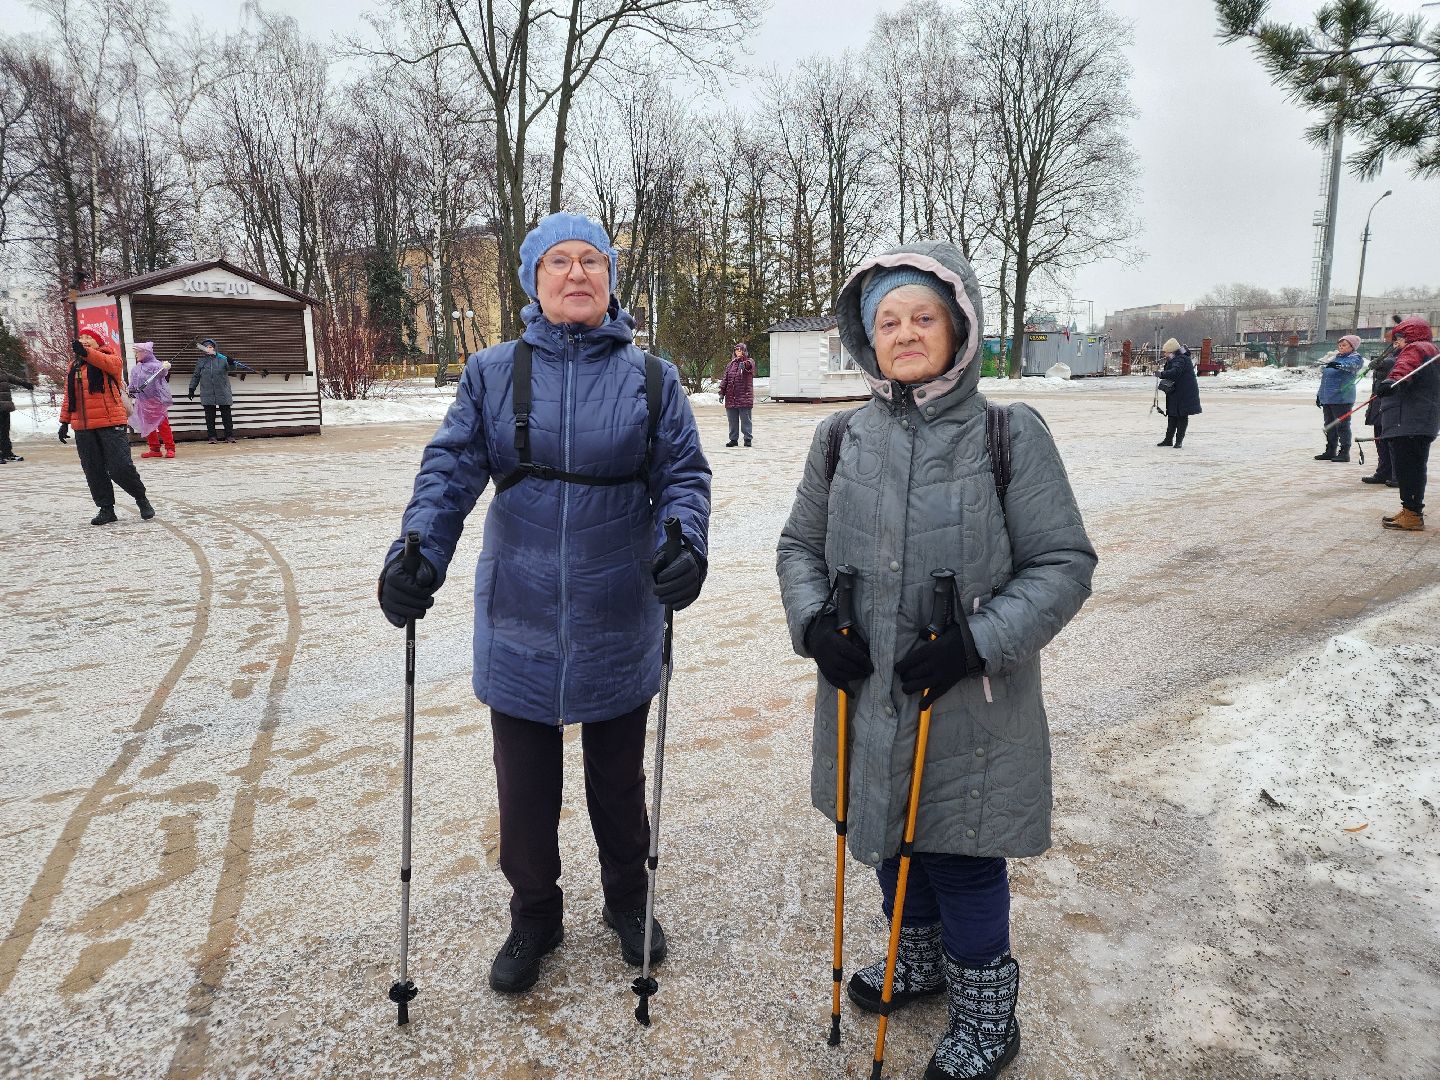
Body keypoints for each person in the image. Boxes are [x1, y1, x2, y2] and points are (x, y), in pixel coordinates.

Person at [777, 243, 1096, 1080]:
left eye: (924, 317)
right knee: (888, 834)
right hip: (870, 690)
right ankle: (914, 961)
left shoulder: (1008, 433)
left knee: (959, 847)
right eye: (889, 320)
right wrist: (813, 623)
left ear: (960, 329)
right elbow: (798, 547)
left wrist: (976, 642)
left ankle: (990, 1013)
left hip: (969, 695)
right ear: (866, 337)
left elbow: (1064, 563)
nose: (906, 332)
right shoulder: (840, 435)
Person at [377, 212, 712, 995]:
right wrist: (416, 551)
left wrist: (685, 541)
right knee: (523, 789)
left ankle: (629, 899)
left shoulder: (653, 378)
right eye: (558, 261)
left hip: (616, 607)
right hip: (519, 612)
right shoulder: (493, 371)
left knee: (617, 781)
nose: (576, 274)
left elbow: (684, 477)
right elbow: (450, 469)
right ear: (533, 280)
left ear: (610, 279)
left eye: (591, 261)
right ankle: (535, 913)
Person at [60, 329, 154, 525]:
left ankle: (141, 499)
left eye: (89, 338)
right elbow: (69, 396)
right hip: (84, 427)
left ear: (98, 343)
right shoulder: (74, 366)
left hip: (111, 423)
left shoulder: (110, 358)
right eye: (82, 338)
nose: (84, 340)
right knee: (93, 469)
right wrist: (64, 421)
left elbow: (108, 365)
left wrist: (86, 353)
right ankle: (106, 509)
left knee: (120, 467)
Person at [1374, 317, 1439, 531]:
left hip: (1409, 420)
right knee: (1413, 466)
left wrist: (1391, 382)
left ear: (1409, 336)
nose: (1397, 343)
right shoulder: (1431, 350)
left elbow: (1404, 367)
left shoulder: (1416, 348)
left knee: (1408, 467)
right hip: (1419, 419)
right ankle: (1411, 510)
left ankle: (1412, 514)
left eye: (1399, 338)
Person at [1361, 327, 1401, 487]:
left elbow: (1397, 368)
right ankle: (1383, 471)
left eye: (1397, 339)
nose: (1391, 342)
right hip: (1379, 402)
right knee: (1380, 439)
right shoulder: (1390, 354)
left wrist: (1383, 363)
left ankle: (1397, 474)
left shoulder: (1406, 356)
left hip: (1394, 405)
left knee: (1392, 440)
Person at [1314, 334, 1364, 462]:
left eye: (1344, 345)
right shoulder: (1335, 358)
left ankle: (1344, 452)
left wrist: (1338, 365)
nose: (1341, 347)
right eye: (1340, 345)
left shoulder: (1356, 359)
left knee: (1342, 426)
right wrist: (1320, 396)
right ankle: (1330, 450)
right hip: (1328, 398)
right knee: (1329, 425)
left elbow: (1352, 366)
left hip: (1342, 398)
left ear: (1352, 347)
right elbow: (1325, 380)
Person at [129, 341, 175, 459]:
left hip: (156, 400)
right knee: (147, 425)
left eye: (138, 352)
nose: (136, 354)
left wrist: (165, 368)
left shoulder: (156, 366)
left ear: (146, 352)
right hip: (143, 401)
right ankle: (154, 449)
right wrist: (130, 391)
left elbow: (162, 374)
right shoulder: (136, 369)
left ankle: (170, 448)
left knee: (162, 424)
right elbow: (133, 384)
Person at [188, 338, 239, 443]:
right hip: (207, 392)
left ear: (214, 348)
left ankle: (229, 436)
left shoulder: (222, 359)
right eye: (206, 347)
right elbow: (196, 376)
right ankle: (212, 437)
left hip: (223, 391)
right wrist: (191, 388)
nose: (209, 349)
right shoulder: (201, 361)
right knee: (210, 417)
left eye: (210, 347)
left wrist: (232, 363)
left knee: (226, 415)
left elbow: (232, 369)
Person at [1156, 338, 1200, 447]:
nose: (1164, 354)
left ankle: (1179, 441)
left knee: (1181, 416)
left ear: (1171, 351)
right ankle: (1168, 440)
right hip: (1176, 391)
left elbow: (1175, 372)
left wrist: (1162, 374)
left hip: (1184, 392)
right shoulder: (1175, 358)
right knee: (1172, 415)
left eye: (1166, 352)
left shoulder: (1181, 359)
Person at [719, 341, 755, 447]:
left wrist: (744, 365)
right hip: (731, 397)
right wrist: (722, 392)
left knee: (745, 420)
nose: (738, 351)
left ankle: (747, 439)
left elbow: (750, 367)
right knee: (732, 421)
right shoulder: (731, 364)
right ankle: (733, 439)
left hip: (744, 397)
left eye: (740, 349)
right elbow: (725, 379)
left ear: (744, 351)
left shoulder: (749, 361)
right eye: (736, 349)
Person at [1, 357, 35, 463]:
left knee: (5, 431)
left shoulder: (3, 373)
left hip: (4, 408)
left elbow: (14, 379)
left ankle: (7, 453)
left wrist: (25, 384)